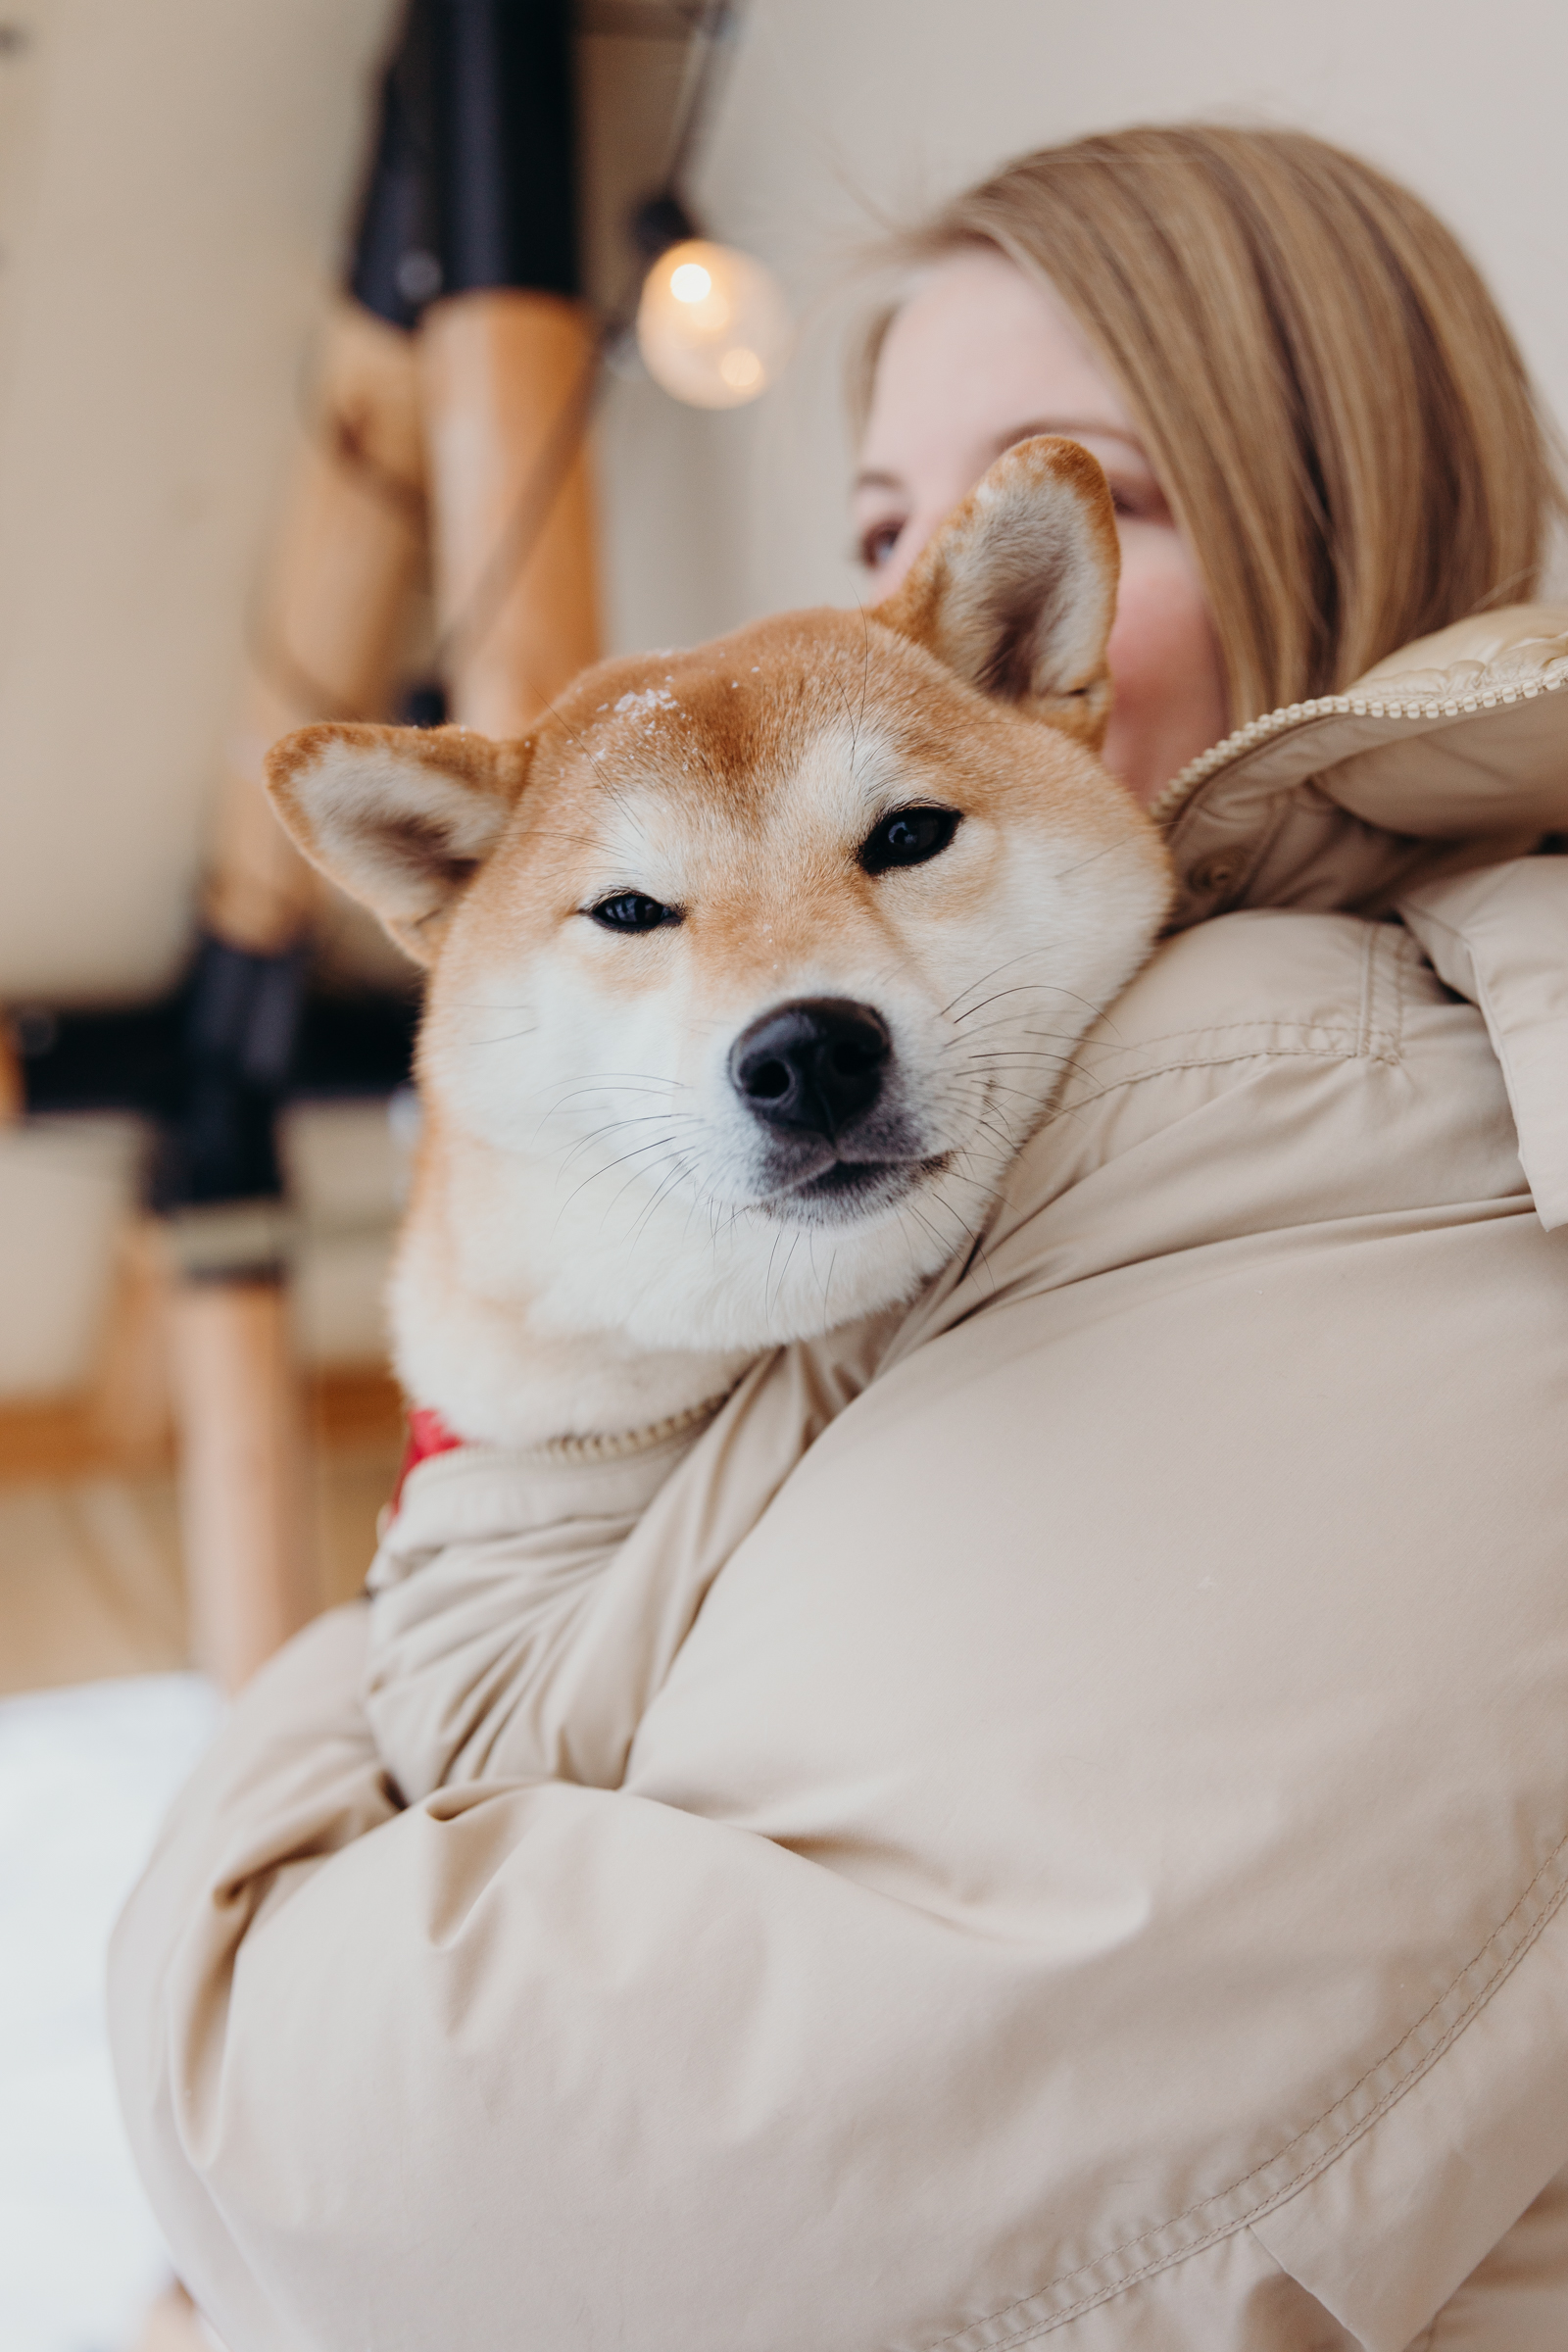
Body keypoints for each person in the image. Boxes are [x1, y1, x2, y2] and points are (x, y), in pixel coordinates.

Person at [110, 126, 1568, 2350]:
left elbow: (540, 2211)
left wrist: (230, 1873)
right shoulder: (1058, 1180)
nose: (931, 617)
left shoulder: (1324, 1087)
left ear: (1330, 503)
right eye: (881, 525)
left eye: (1062, 506)